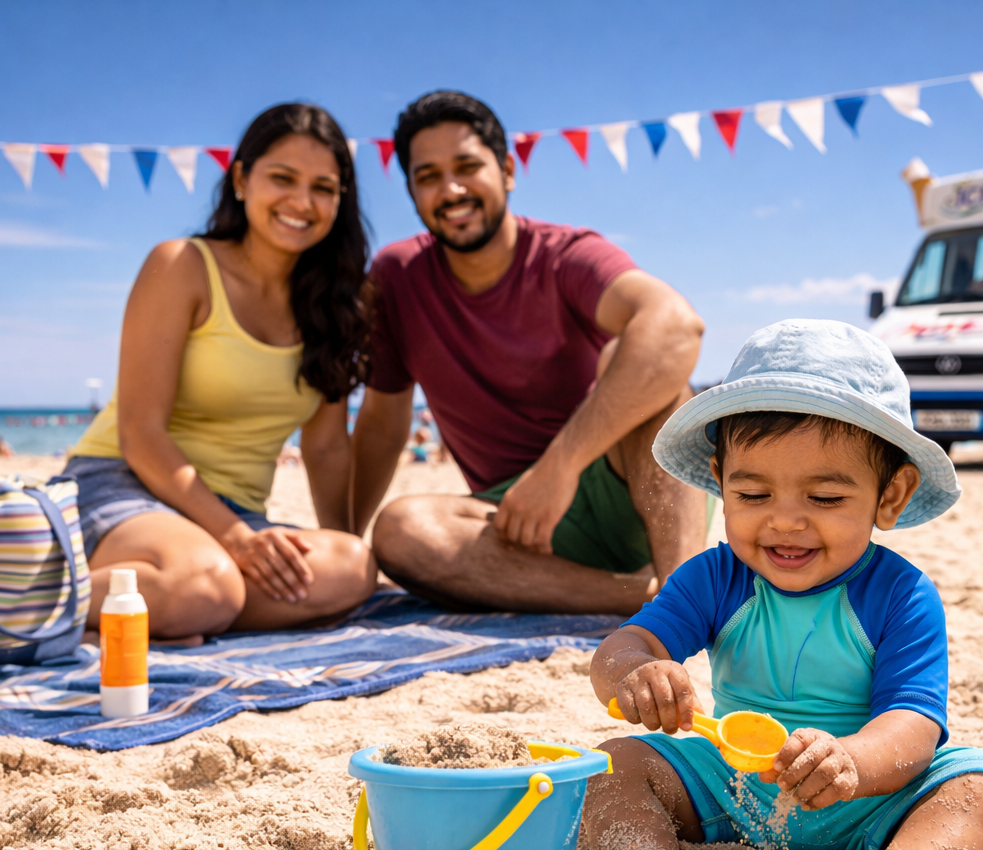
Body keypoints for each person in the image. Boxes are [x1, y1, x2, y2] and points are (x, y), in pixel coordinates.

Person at [580, 320, 983, 850]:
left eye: (825, 496)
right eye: (753, 494)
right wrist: (638, 673)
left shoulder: (901, 595)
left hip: (867, 798)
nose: (785, 519)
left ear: (891, 495)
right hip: (729, 785)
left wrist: (852, 760)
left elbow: (914, 726)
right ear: (719, 481)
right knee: (610, 765)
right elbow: (623, 647)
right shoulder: (715, 577)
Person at [352, 91, 708, 615]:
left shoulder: (564, 254)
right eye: (427, 176)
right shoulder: (396, 276)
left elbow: (677, 327)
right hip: (512, 528)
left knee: (643, 364)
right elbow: (382, 425)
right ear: (410, 190)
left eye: (467, 167)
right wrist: (345, 540)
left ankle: (685, 593)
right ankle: (648, 600)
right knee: (401, 530)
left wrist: (558, 469)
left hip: (632, 494)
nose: (450, 190)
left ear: (508, 171)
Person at [62, 103, 376, 641]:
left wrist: (337, 555)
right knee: (206, 586)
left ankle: (166, 604)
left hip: (233, 517)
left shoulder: (338, 304)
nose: (302, 202)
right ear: (240, 180)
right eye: (282, 178)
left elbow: (325, 448)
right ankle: (25, 595)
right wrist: (233, 539)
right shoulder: (181, 265)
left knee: (352, 568)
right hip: (124, 485)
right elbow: (141, 435)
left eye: (323, 187)